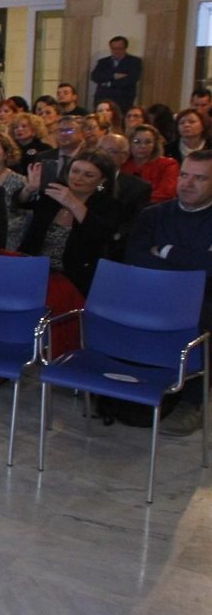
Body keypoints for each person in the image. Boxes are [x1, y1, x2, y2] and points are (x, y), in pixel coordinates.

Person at [126, 150, 212, 434]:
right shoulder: (154, 214)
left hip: (202, 299)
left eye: (200, 178)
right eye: (185, 175)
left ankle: (193, 400)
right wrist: (190, 261)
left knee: (203, 316)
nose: (188, 183)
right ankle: (141, 381)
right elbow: (135, 256)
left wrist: (165, 250)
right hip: (153, 292)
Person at [18, 151, 120, 297]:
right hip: (33, 266)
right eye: (75, 171)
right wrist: (29, 189)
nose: (78, 178)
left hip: (73, 276)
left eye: (88, 175)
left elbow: (101, 233)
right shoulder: (55, 191)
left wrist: (73, 203)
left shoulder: (107, 204)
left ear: (101, 181)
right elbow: (21, 203)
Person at [93, 132, 153, 252]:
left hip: (114, 246)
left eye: (110, 151)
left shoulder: (138, 187)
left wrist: (115, 235)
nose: (102, 155)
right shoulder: (80, 179)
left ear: (124, 156)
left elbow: (136, 222)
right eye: (99, 149)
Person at [122, 125, 180, 204]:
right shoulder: (122, 164)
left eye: (148, 142)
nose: (142, 146)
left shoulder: (168, 164)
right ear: (128, 143)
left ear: (155, 145)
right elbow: (102, 186)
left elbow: (167, 193)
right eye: (137, 142)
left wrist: (135, 200)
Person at [90, 35, 143, 109]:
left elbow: (131, 80)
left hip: (123, 100)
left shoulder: (134, 62)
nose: (116, 51)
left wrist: (108, 83)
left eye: (119, 48)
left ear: (125, 48)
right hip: (102, 99)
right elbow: (95, 76)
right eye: (113, 48)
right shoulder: (103, 62)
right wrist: (114, 76)